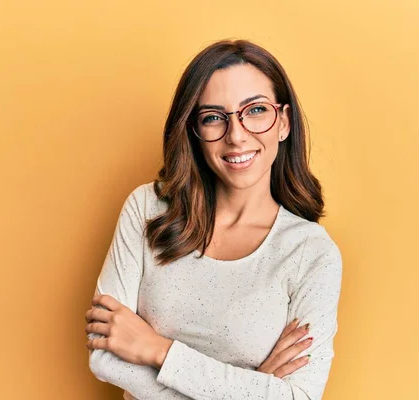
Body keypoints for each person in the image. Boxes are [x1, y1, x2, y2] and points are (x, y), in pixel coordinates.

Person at [84, 39, 343, 400]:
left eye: (255, 110)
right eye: (213, 118)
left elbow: (299, 397)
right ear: (193, 131)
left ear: (283, 122)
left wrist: (158, 350)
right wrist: (253, 385)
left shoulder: (311, 253)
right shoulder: (147, 209)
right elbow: (105, 357)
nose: (236, 136)